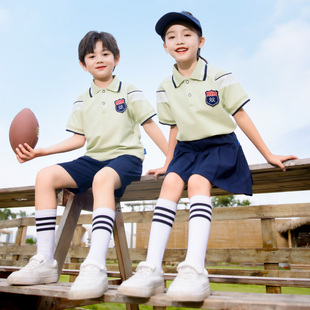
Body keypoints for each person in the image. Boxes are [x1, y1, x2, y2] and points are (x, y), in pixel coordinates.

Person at [117, 11, 298, 302]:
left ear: (200, 41)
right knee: (171, 183)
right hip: (187, 150)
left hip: (220, 145)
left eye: (187, 34)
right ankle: (151, 269)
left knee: (199, 181)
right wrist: (167, 161)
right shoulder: (165, 86)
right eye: (171, 36)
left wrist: (268, 153)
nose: (179, 40)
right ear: (165, 46)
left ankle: (195, 270)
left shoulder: (219, 75)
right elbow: (174, 128)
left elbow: (240, 114)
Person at [7, 30, 168, 300]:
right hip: (93, 158)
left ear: (116, 58)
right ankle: (45, 261)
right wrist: (41, 151)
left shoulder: (129, 90)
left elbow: (149, 124)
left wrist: (171, 158)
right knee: (45, 176)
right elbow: (79, 139)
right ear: (83, 64)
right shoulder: (82, 98)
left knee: (102, 179)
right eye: (92, 55)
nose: (100, 59)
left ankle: (95, 267)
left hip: (126, 158)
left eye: (105, 54)